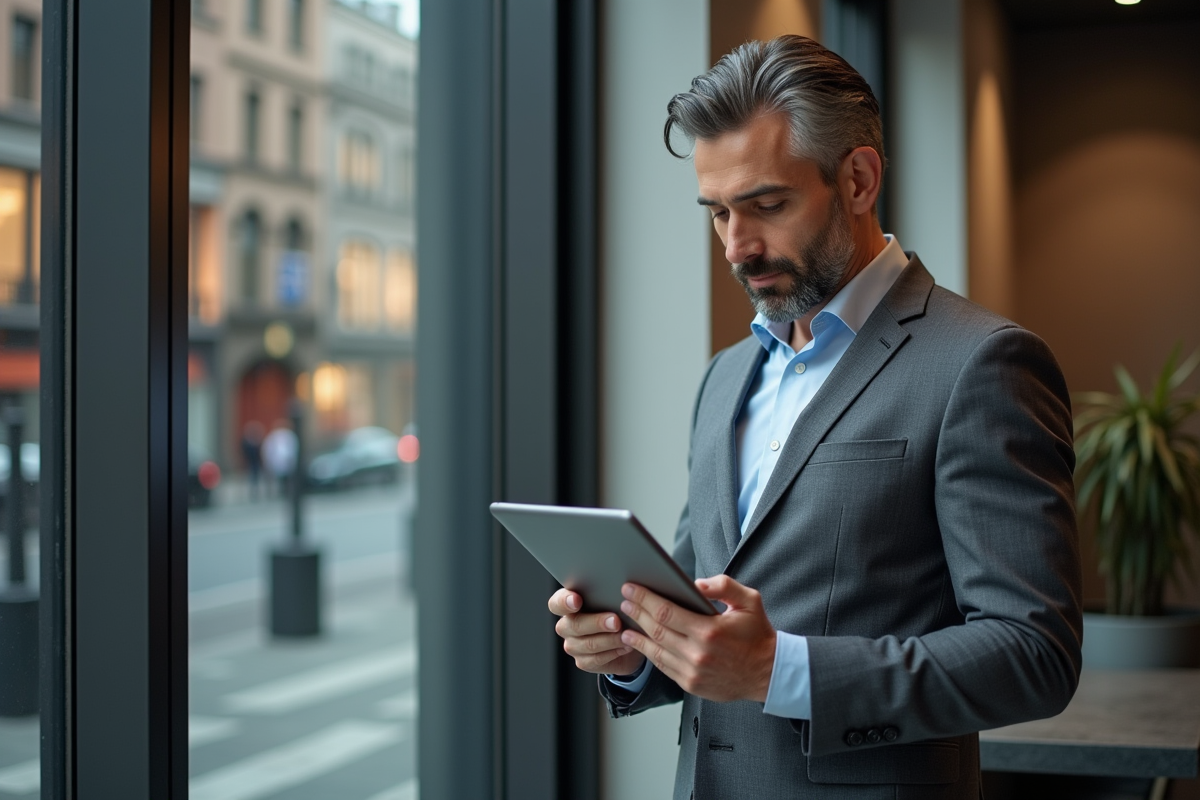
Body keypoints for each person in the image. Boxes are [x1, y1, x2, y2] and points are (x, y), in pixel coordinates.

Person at [548, 35, 1081, 799]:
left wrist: (779, 670)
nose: (738, 247)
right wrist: (632, 649)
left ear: (858, 178)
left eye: (767, 205)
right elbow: (702, 601)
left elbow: (1035, 656)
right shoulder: (724, 378)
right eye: (718, 213)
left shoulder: (982, 363)